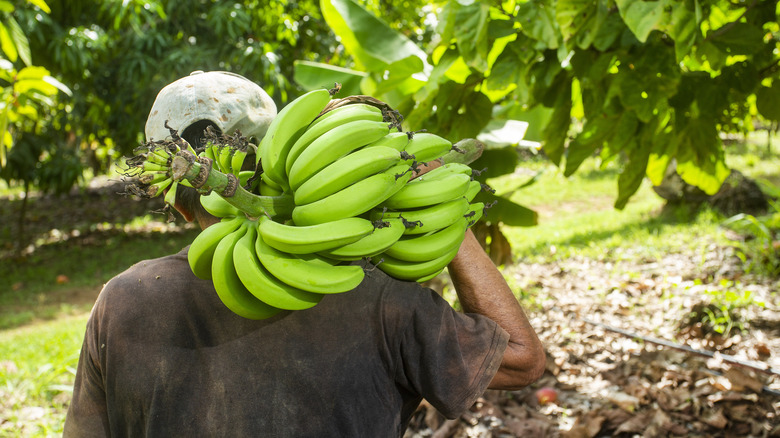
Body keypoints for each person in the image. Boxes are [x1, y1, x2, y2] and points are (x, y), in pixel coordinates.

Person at [63, 71, 545, 437]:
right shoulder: (378, 296)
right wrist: (447, 216)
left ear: (174, 203)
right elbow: (523, 361)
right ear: (283, 151)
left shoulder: (122, 302)